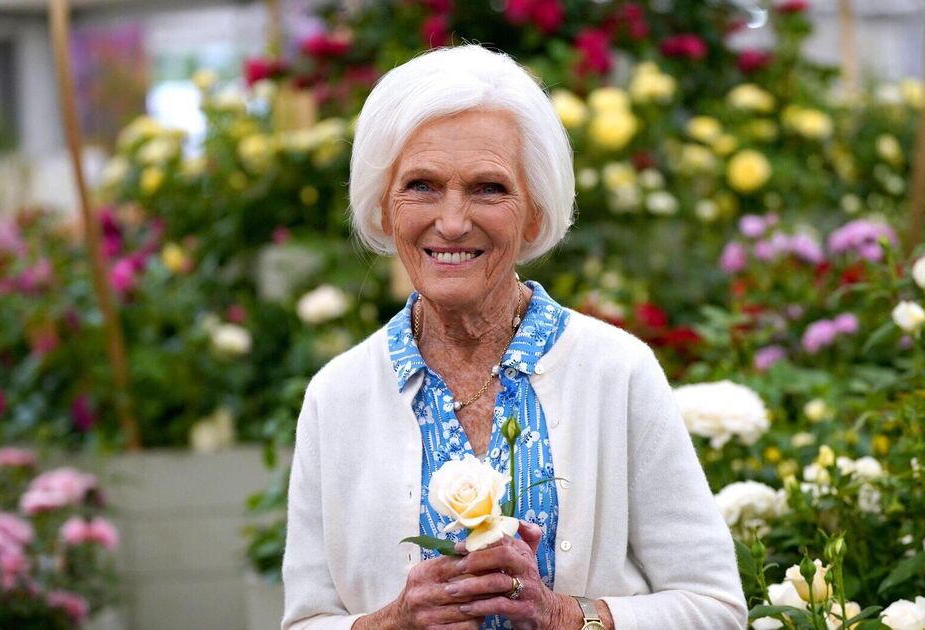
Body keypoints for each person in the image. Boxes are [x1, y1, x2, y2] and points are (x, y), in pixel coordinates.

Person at [281, 45, 747, 630]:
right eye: (422, 185)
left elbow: (715, 608)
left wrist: (562, 616)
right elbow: (305, 621)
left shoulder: (617, 371)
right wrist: (394, 623)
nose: (453, 222)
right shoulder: (338, 395)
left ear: (535, 213)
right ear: (383, 209)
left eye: (488, 188)